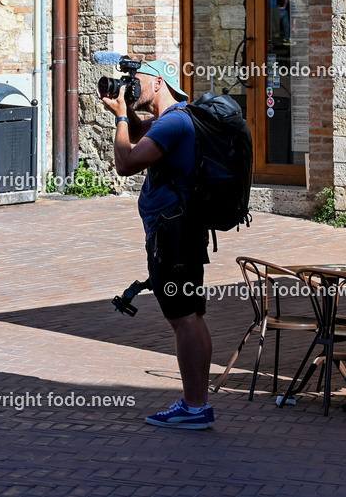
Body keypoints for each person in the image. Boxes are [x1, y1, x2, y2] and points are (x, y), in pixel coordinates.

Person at [101, 60, 214, 429]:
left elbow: (126, 162)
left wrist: (120, 118)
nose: (132, 87)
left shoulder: (173, 122)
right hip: (179, 231)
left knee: (183, 318)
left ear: (159, 82)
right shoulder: (176, 118)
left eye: (137, 82)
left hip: (174, 234)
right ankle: (198, 403)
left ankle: (195, 406)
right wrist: (124, 110)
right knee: (190, 315)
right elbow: (140, 130)